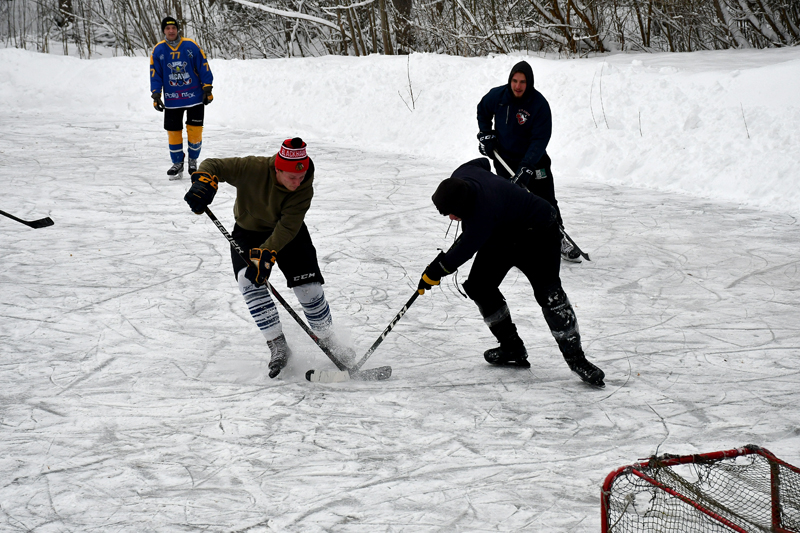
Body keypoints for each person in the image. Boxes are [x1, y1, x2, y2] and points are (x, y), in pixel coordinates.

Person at [417, 158, 605, 387]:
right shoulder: (463, 173)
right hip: (503, 234)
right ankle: (512, 348)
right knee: (479, 286)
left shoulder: (482, 215)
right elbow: (483, 162)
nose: (451, 219)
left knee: (550, 294)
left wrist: (435, 272)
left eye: (453, 214)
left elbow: (463, 249)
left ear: (463, 206)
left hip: (538, 234)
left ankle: (578, 361)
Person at [183, 137, 354, 378]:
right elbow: (213, 165)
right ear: (277, 169)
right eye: (291, 177)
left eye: (301, 176)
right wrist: (203, 182)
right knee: (249, 282)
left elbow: (287, 227)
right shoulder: (252, 168)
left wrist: (267, 253)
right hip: (248, 233)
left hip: (288, 233)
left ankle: (329, 340)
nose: (297, 182)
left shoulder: (304, 187)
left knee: (309, 289)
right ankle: (278, 345)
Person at [476, 60, 582, 263]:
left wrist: (527, 166)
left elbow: (540, 139)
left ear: (529, 82)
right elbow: (483, 110)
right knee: (511, 204)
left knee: (545, 200)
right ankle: (516, 243)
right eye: (515, 81)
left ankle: (558, 238)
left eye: (522, 81)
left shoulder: (538, 105)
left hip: (535, 162)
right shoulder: (498, 97)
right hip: (505, 160)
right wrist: (487, 134)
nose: (518, 86)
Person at [150, 16, 214, 180]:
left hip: (195, 97)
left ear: (177, 29)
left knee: (194, 131)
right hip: (172, 99)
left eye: (173, 28)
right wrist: (156, 94)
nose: (171, 31)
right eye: (167, 28)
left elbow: (203, 65)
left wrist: (207, 88)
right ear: (163, 30)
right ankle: (177, 162)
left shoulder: (190, 45)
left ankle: (193, 160)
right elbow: (155, 73)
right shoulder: (158, 50)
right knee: (173, 132)